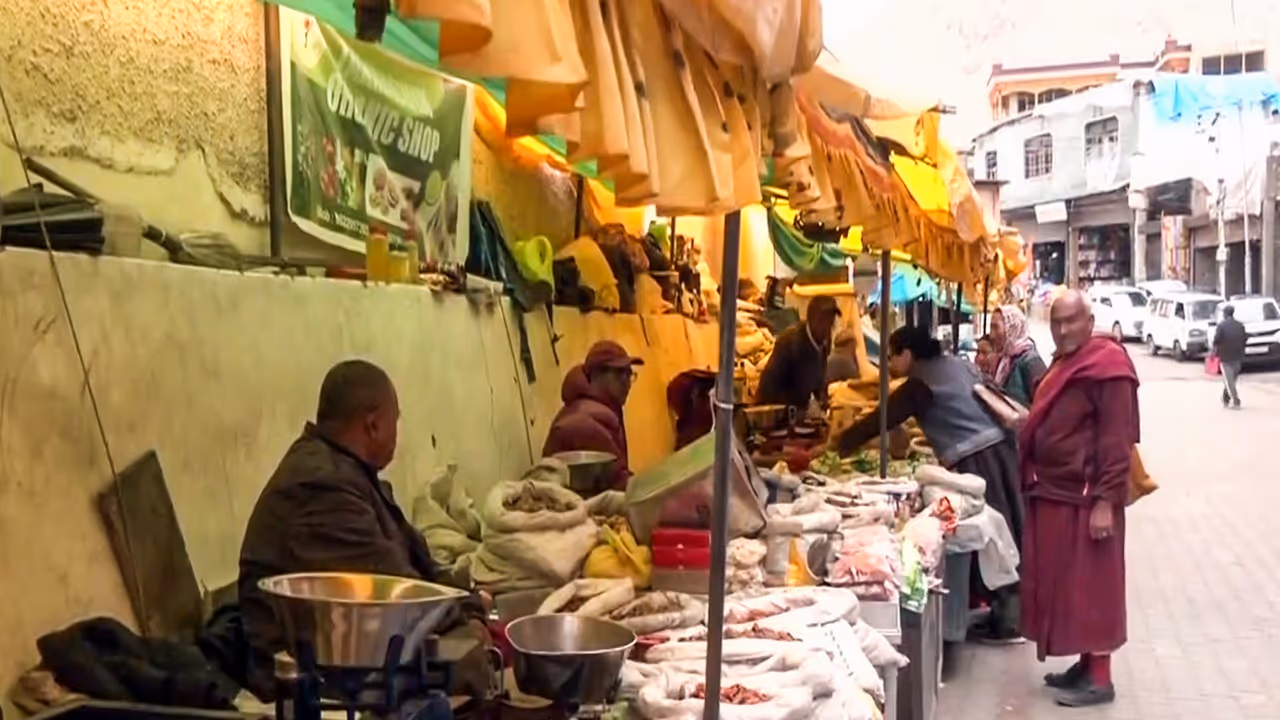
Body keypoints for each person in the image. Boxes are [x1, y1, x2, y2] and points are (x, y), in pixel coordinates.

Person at [238, 360, 490, 700]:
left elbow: (413, 561)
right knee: (467, 656)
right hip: (305, 670)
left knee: (473, 640)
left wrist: (466, 597)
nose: (397, 435)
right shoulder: (321, 486)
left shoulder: (348, 472)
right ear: (372, 425)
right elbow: (395, 589)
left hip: (343, 641)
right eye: (395, 422)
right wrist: (468, 614)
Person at [825, 325, 1024, 642]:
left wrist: (839, 444)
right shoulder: (954, 364)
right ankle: (999, 611)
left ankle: (1011, 619)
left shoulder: (920, 383)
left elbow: (884, 417)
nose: (890, 363)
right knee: (1003, 527)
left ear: (908, 353)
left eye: (892, 356)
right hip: (997, 446)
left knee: (995, 534)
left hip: (978, 456)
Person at [1018, 291, 1139, 708]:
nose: (1064, 330)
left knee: (1093, 589)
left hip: (1089, 499)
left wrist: (1106, 500)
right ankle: (1085, 665)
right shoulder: (1065, 362)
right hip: (1056, 492)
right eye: (1056, 323)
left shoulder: (1108, 366)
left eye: (1072, 322)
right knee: (1068, 588)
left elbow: (1117, 439)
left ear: (1090, 323)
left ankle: (1100, 678)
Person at [541, 340, 643, 491]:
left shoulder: (602, 410)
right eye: (619, 373)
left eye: (629, 374)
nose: (626, 382)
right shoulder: (586, 422)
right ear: (596, 374)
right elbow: (618, 484)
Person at [755, 295, 841, 409]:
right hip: (775, 413)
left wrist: (822, 401)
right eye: (822, 322)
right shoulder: (789, 343)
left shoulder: (824, 343)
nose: (827, 328)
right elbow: (768, 390)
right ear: (811, 319)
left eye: (831, 322)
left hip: (800, 412)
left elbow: (818, 383)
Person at [990, 304, 1047, 407]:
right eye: (991, 327)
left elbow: (1044, 402)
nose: (991, 335)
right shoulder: (1003, 360)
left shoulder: (1030, 360)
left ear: (1011, 328)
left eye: (996, 327)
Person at [1212, 303, 1246, 409]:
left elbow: (1216, 340)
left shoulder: (1221, 326)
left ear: (1225, 314)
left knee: (1229, 380)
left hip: (1225, 357)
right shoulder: (1240, 325)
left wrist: (1214, 352)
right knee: (1231, 380)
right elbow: (1244, 339)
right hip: (1238, 356)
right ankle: (1225, 398)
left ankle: (1236, 401)